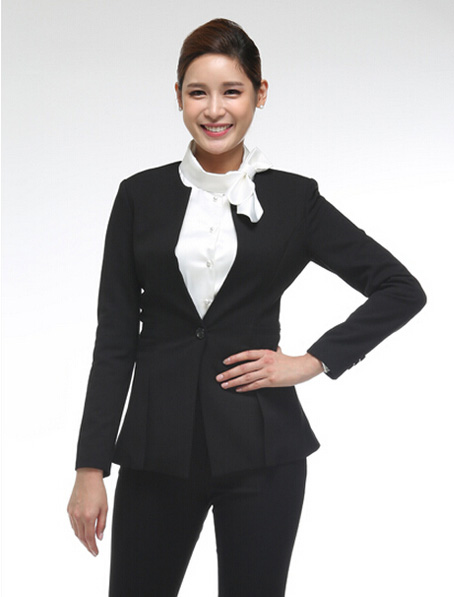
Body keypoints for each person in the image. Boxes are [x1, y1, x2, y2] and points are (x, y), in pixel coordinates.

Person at [67, 18, 426, 597]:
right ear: (178, 96)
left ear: (260, 94)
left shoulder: (294, 199)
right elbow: (114, 340)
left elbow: (400, 288)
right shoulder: (139, 196)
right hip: (156, 450)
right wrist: (91, 467)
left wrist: (311, 361)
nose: (214, 110)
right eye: (198, 92)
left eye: (232, 91)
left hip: (264, 451)